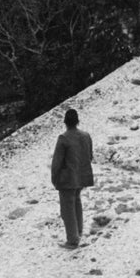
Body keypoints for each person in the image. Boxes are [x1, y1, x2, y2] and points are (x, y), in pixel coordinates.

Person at [50, 106, 94, 249]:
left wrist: (55, 179)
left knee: (67, 209)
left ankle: (72, 239)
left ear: (65, 122)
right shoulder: (86, 136)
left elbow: (57, 162)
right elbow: (90, 156)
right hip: (81, 177)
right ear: (77, 121)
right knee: (77, 203)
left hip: (67, 179)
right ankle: (78, 232)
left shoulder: (63, 139)